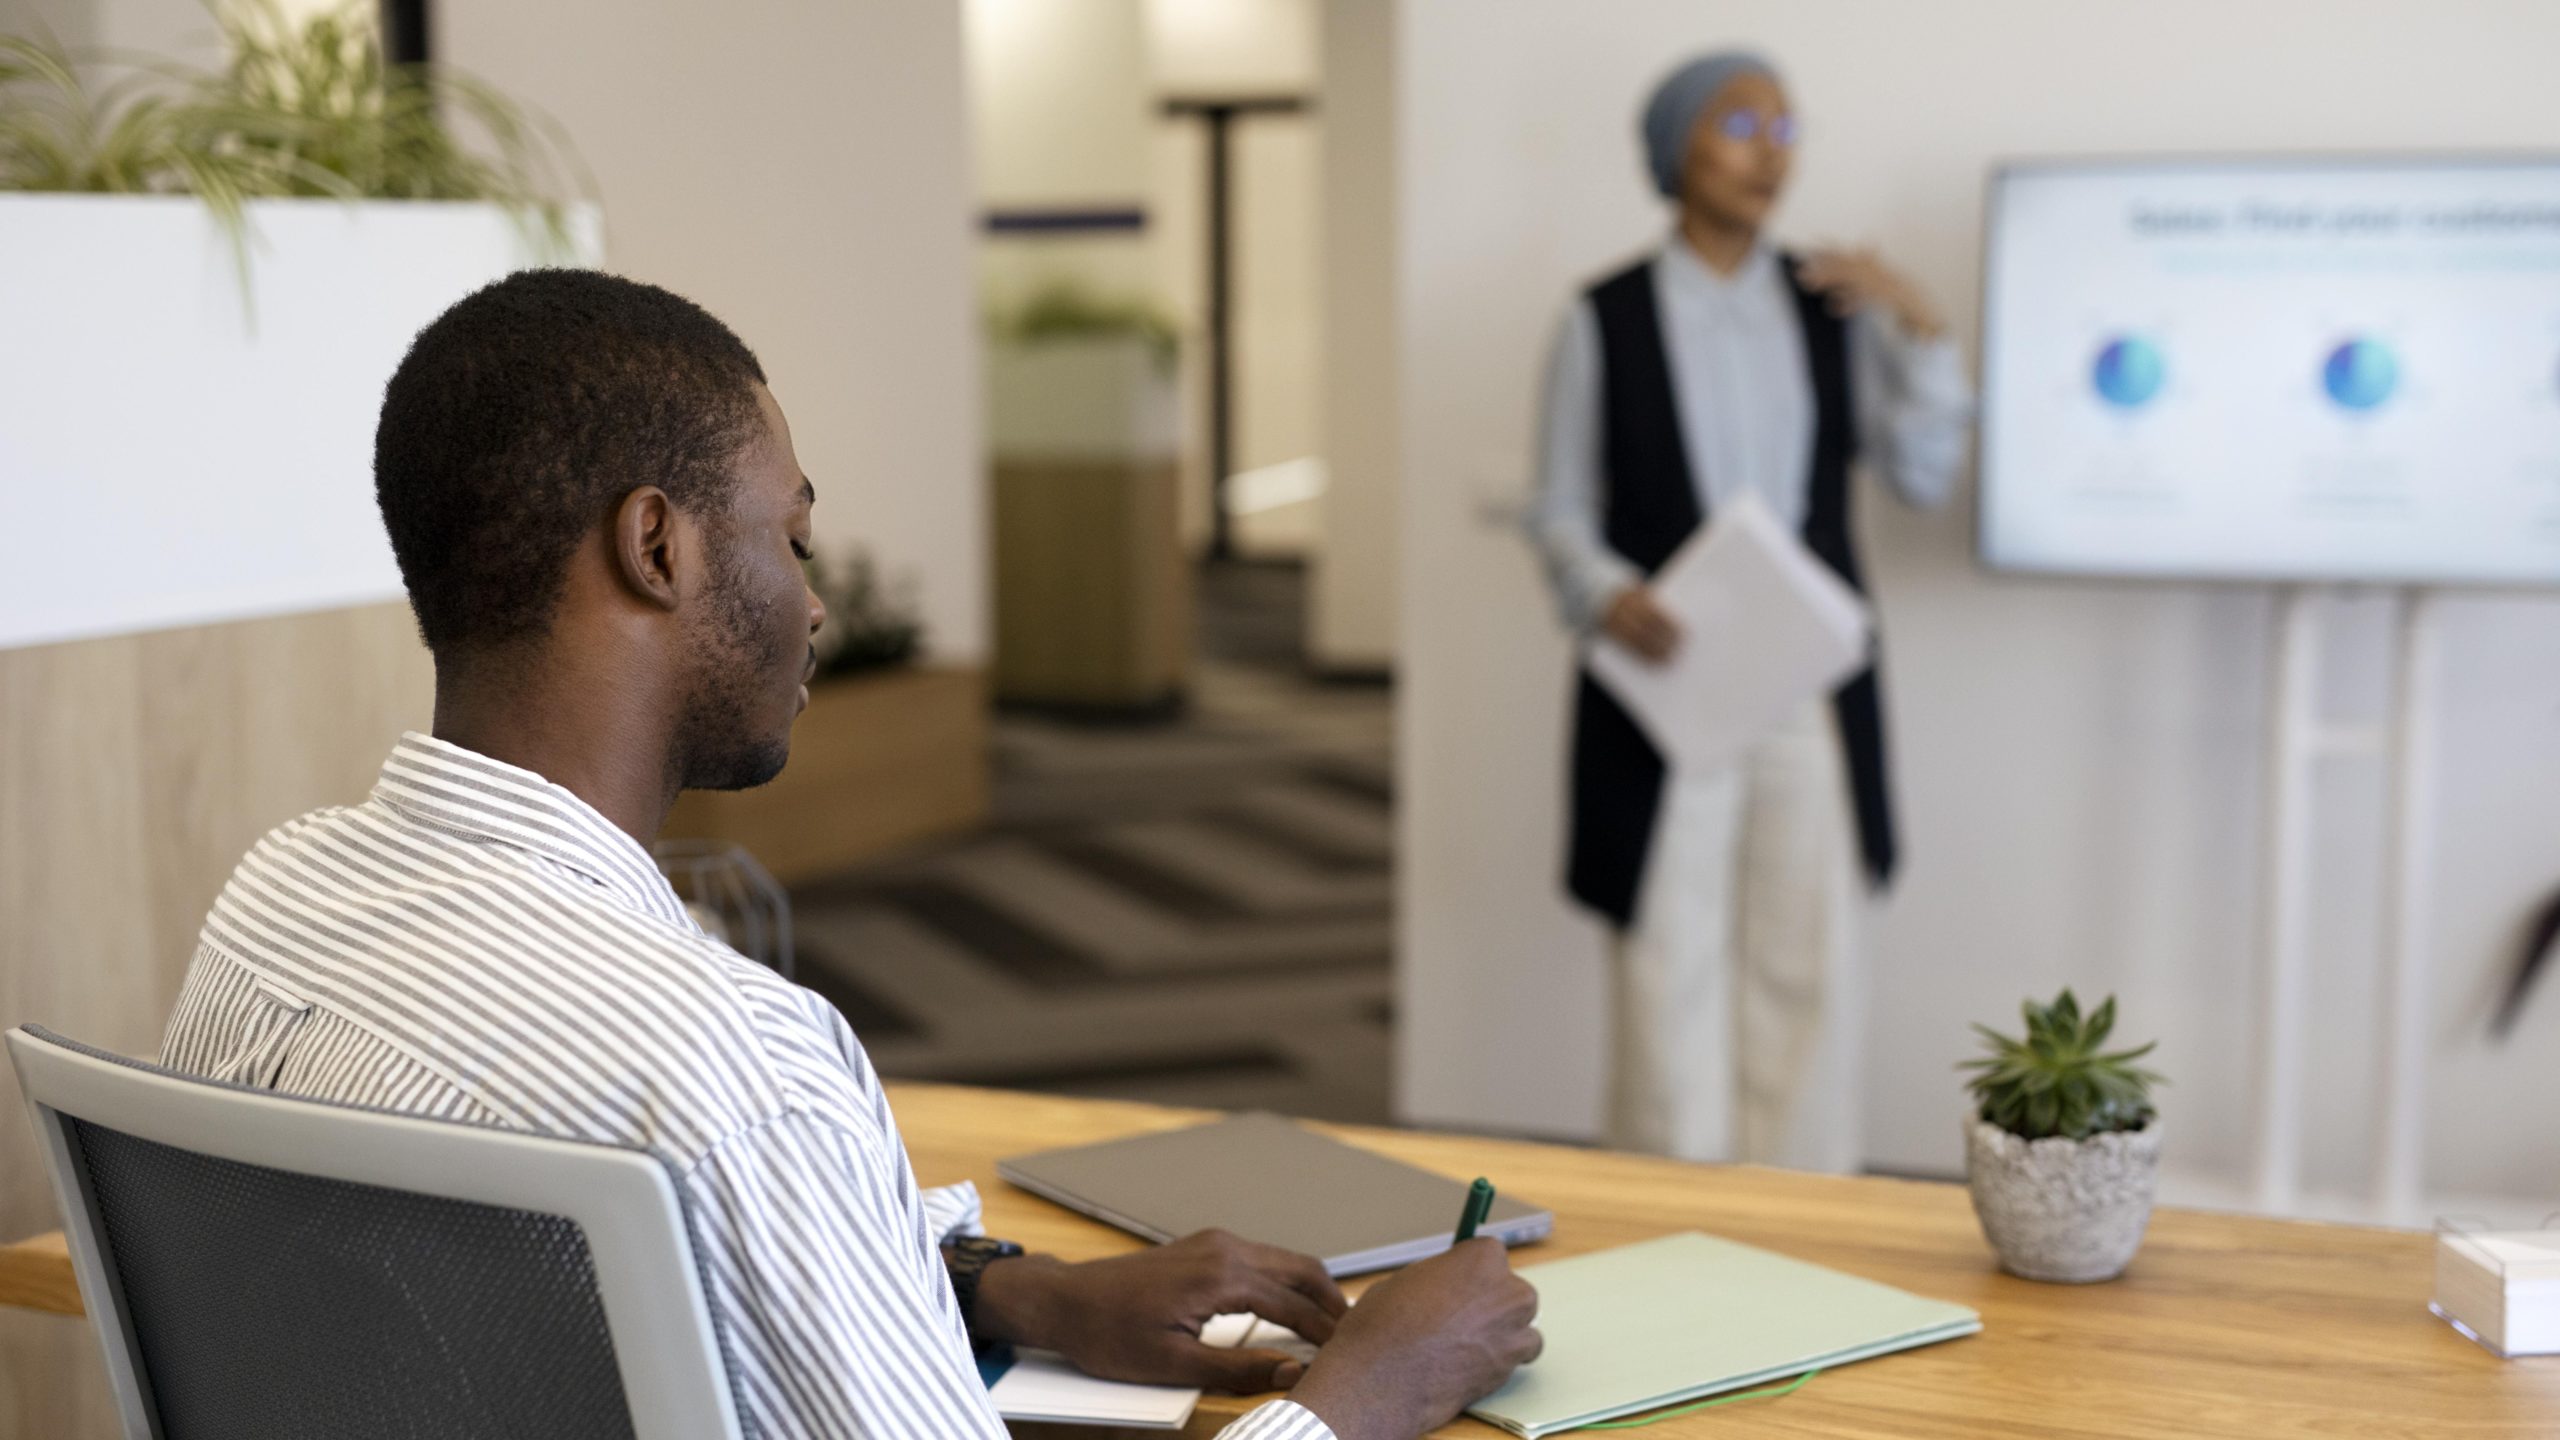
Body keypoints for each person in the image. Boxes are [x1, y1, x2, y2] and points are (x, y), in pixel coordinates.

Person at [158, 269, 1540, 1440]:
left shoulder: (278, 905)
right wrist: (1365, 1389)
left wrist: (1008, 1288)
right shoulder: (729, 1064)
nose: (816, 605)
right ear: (658, 546)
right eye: (792, 536)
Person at [1523, 52, 1972, 1171]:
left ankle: (1804, 1202)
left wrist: (1919, 326)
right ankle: (1668, 1199)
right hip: (1669, 681)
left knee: (1806, 951)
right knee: (1666, 948)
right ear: (1678, 148)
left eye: (1786, 128)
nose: (1772, 150)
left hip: (1808, 680)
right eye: (1739, 123)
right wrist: (1605, 593)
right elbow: (1559, 505)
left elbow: (1919, 473)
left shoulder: (1832, 309)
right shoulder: (1602, 317)